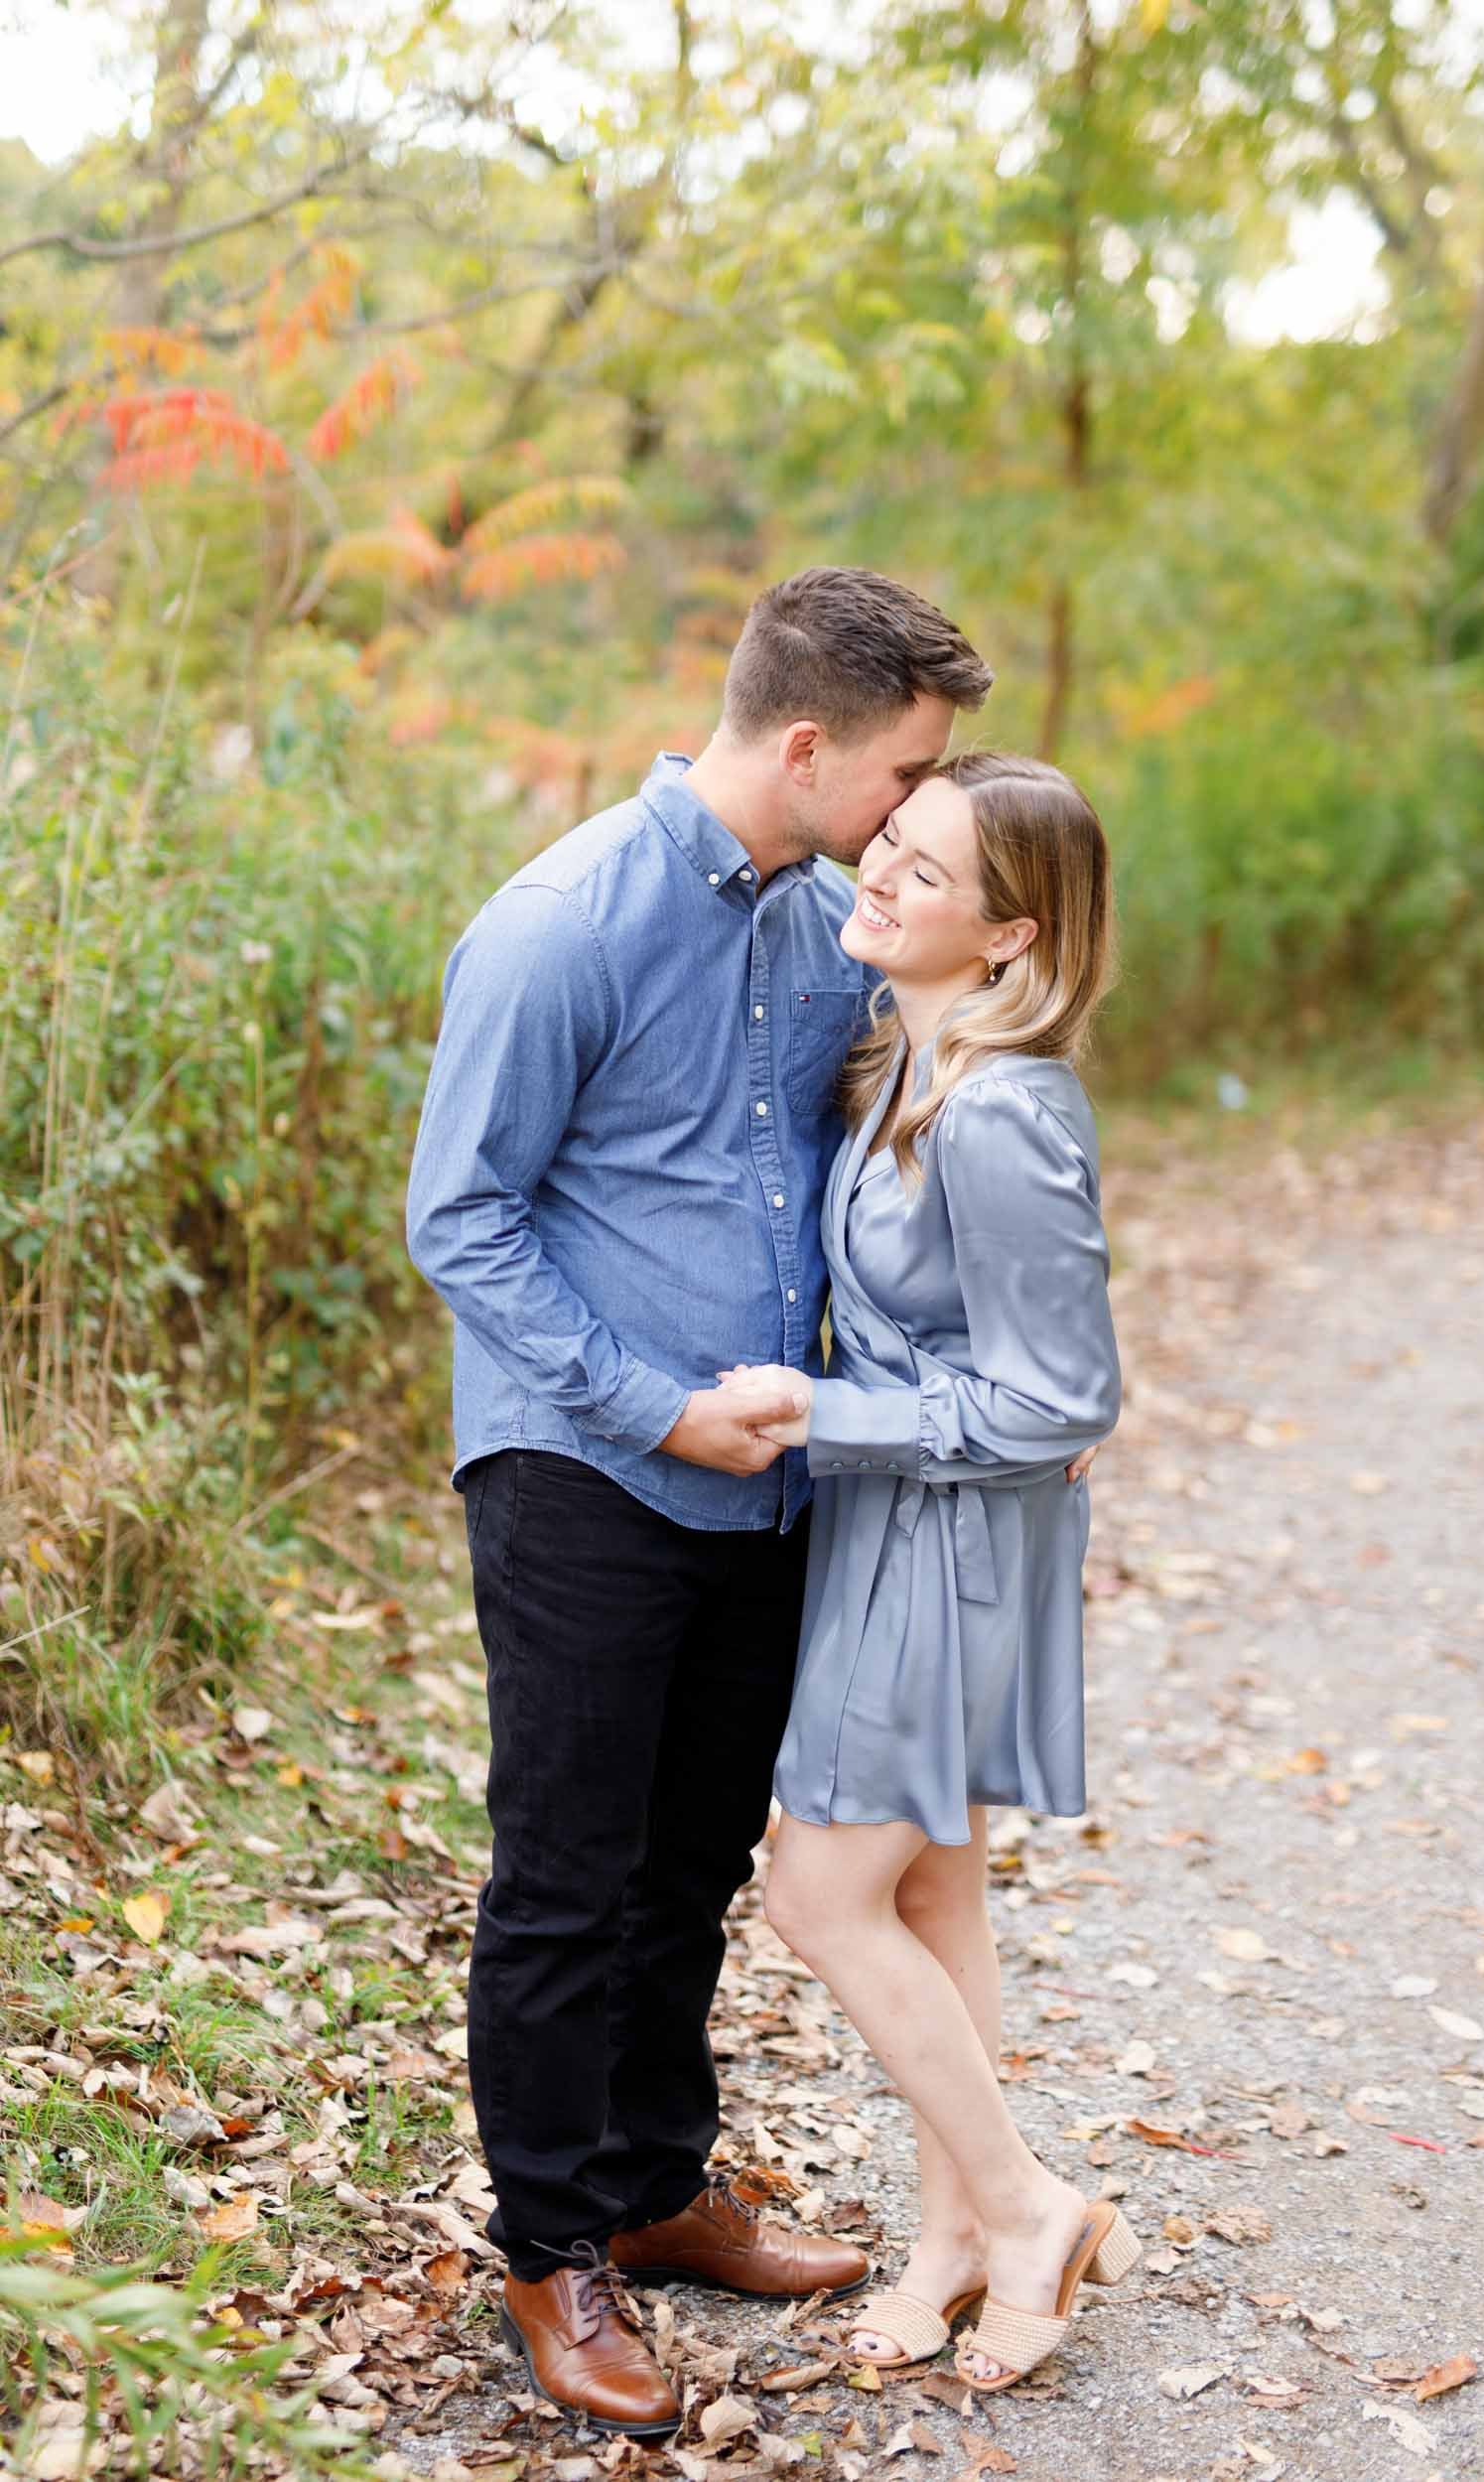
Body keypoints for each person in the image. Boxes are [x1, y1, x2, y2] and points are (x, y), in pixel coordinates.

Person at [404, 568, 994, 2437]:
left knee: (689, 1865)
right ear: (808, 745)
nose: (919, 804)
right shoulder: (563, 918)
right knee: (569, 1877)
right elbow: (461, 1220)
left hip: (770, 1485)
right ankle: (551, 2245)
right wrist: (654, 1410)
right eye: (908, 767)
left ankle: (657, 2185)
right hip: (582, 1464)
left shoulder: (834, 921)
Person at [715, 751, 1136, 2398]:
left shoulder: (1003, 1107)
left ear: (1012, 937)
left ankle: (1028, 2211)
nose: (876, 880)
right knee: (930, 1887)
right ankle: (952, 2236)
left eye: (923, 873)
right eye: (883, 844)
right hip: (901, 1522)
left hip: (952, 1545)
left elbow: (1062, 1396)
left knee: (820, 1892)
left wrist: (830, 1410)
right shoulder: (913, 1050)